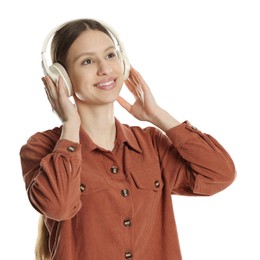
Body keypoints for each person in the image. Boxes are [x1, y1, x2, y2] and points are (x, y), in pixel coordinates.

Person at [19, 18, 236, 260]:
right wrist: (70, 126)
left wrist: (158, 116)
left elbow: (219, 174)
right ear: (63, 79)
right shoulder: (40, 148)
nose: (105, 69)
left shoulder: (151, 144)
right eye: (88, 61)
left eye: (111, 55)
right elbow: (58, 206)